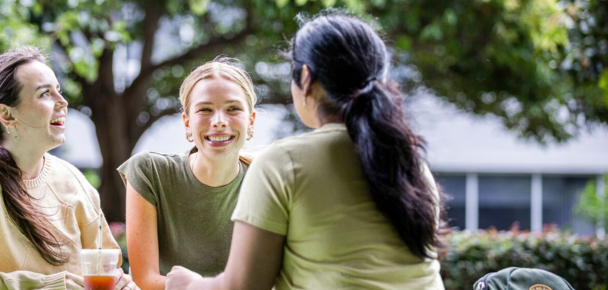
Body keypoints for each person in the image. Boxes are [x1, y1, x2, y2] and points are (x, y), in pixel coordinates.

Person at [165, 12, 446, 290]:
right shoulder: (409, 161)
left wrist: (189, 285)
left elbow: (242, 287)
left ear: (306, 77)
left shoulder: (284, 163)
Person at [0, 46, 137, 290]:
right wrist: (46, 286)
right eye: (45, 94)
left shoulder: (73, 180)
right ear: (7, 115)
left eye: (59, 91)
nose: (62, 102)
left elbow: (106, 269)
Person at [118, 57, 258, 290]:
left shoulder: (267, 182)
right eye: (205, 109)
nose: (219, 121)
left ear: (251, 121)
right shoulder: (150, 172)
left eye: (233, 108)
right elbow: (145, 280)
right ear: (187, 122)